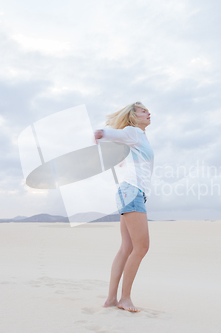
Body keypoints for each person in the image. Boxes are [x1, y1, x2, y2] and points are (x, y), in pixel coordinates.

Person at [94, 101, 153, 312]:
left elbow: (122, 146)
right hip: (132, 192)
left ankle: (111, 299)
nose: (148, 113)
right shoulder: (133, 132)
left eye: (148, 110)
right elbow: (113, 134)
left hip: (130, 192)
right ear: (133, 116)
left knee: (127, 247)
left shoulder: (138, 138)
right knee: (141, 247)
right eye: (143, 111)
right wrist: (101, 133)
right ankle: (124, 298)